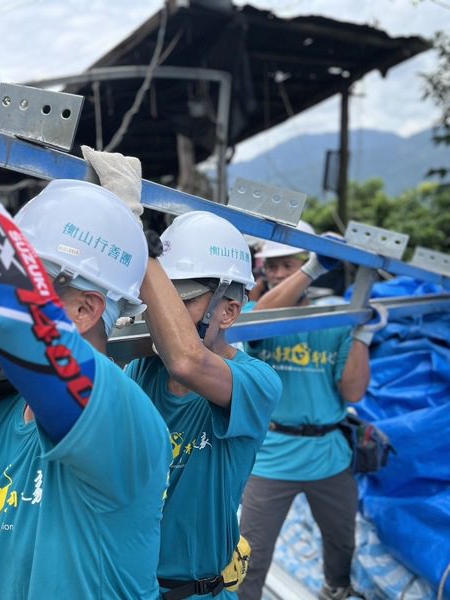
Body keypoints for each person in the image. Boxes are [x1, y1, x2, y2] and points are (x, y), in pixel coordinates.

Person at [0, 95, 171, 599]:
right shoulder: (0, 412)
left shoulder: (123, 418)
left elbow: (16, 318)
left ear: (83, 310)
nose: (16, 282)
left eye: (36, 274)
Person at [104, 174, 282, 599]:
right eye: (154, 299)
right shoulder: (141, 370)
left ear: (229, 312)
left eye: (178, 300)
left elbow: (187, 360)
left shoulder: (257, 384)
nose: (158, 311)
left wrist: (138, 242)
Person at [237, 225, 387, 600]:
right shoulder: (259, 314)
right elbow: (252, 323)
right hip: (272, 455)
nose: (279, 273)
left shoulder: (332, 318)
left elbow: (352, 390)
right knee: (250, 554)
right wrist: (315, 267)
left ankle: (336, 588)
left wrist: (361, 337)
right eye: (273, 267)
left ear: (304, 262)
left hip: (327, 455)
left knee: (341, 540)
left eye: (289, 264)